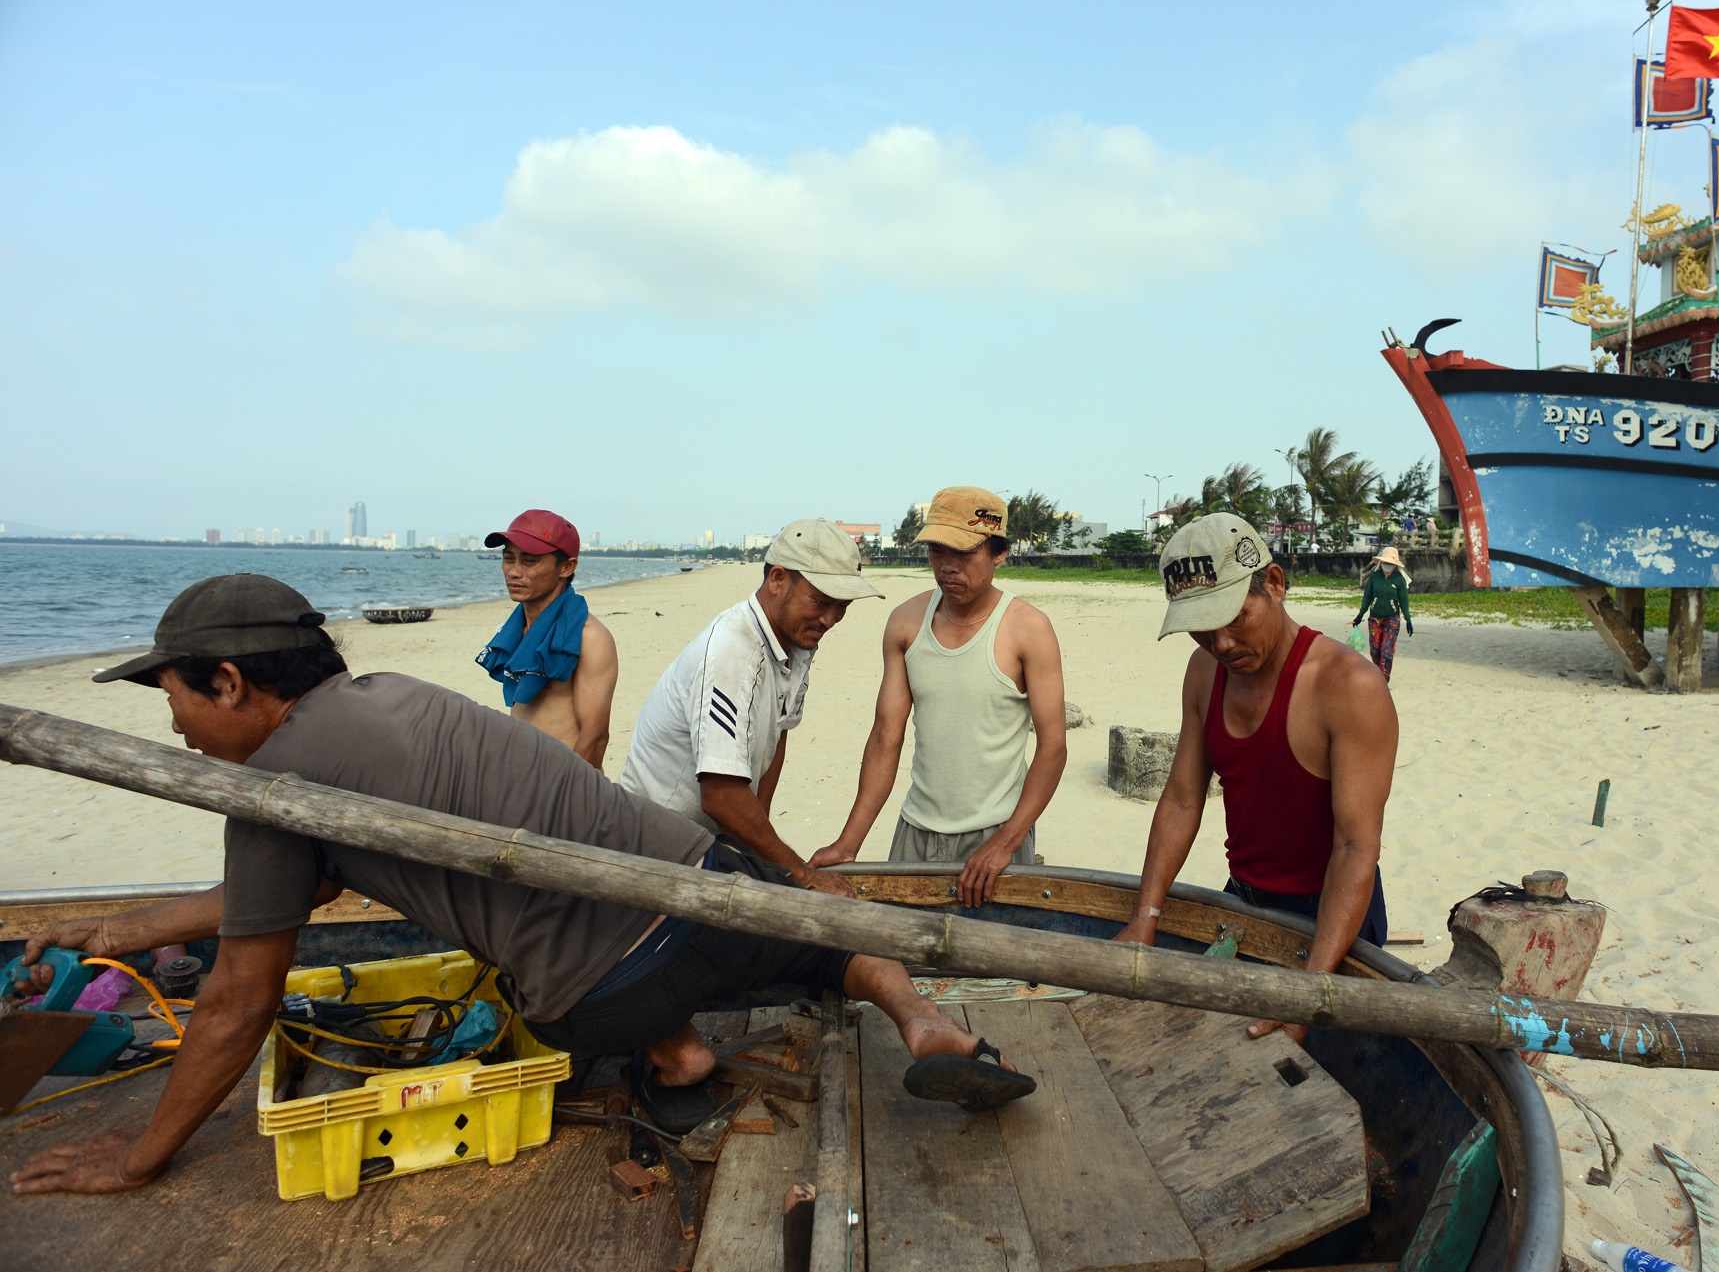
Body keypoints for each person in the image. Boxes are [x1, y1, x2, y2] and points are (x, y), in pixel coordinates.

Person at [7, 575, 1033, 1196]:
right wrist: (126, 925)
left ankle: (679, 1063)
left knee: (552, 1004)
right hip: (701, 888)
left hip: (601, 998)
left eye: (176, 698)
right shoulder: (390, 696)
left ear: (230, 683)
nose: (177, 728)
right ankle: (925, 1019)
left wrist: (141, 1154)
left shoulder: (277, 785)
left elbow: (238, 995)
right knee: (825, 933)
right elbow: (299, 897)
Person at [1116, 514, 1394, 1045]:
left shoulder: (1348, 687)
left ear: (1275, 584)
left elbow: (1356, 846)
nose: (1220, 643)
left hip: (1330, 917)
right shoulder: (1204, 673)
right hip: (1243, 902)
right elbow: (1180, 799)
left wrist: (1311, 989)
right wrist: (1146, 917)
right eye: (1201, 627)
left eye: (1235, 618)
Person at [810, 487, 1068, 908]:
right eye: (936, 551)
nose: (947, 567)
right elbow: (885, 737)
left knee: (990, 967)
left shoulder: (1028, 630)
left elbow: (1053, 747)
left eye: (963, 553)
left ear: (999, 552)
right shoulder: (906, 623)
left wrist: (1008, 840)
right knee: (907, 958)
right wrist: (848, 842)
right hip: (915, 830)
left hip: (996, 833)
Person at [619, 520, 878, 899]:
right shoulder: (733, 653)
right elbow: (720, 795)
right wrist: (799, 873)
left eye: (843, 607)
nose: (830, 620)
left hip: (714, 840)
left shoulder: (797, 640)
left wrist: (763, 842)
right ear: (777, 579)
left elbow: (779, 734)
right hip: (655, 844)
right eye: (822, 602)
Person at [477, 509, 618, 769]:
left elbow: (595, 737)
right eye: (508, 558)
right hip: (519, 774)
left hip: (563, 783)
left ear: (567, 567)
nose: (513, 572)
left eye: (529, 561)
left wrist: (562, 798)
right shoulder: (516, 629)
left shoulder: (589, 637)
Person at [1351, 546, 1412, 683]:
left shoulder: (1399, 580)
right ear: (1381, 563)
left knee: (1387, 650)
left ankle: (1384, 680)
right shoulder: (1374, 577)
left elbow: (1404, 602)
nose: (1387, 566)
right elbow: (1367, 597)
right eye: (1385, 563)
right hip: (1375, 619)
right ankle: (1378, 672)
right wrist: (1360, 615)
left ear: (1395, 565)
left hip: (1392, 619)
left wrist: (1408, 620)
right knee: (1375, 649)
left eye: (1390, 563)